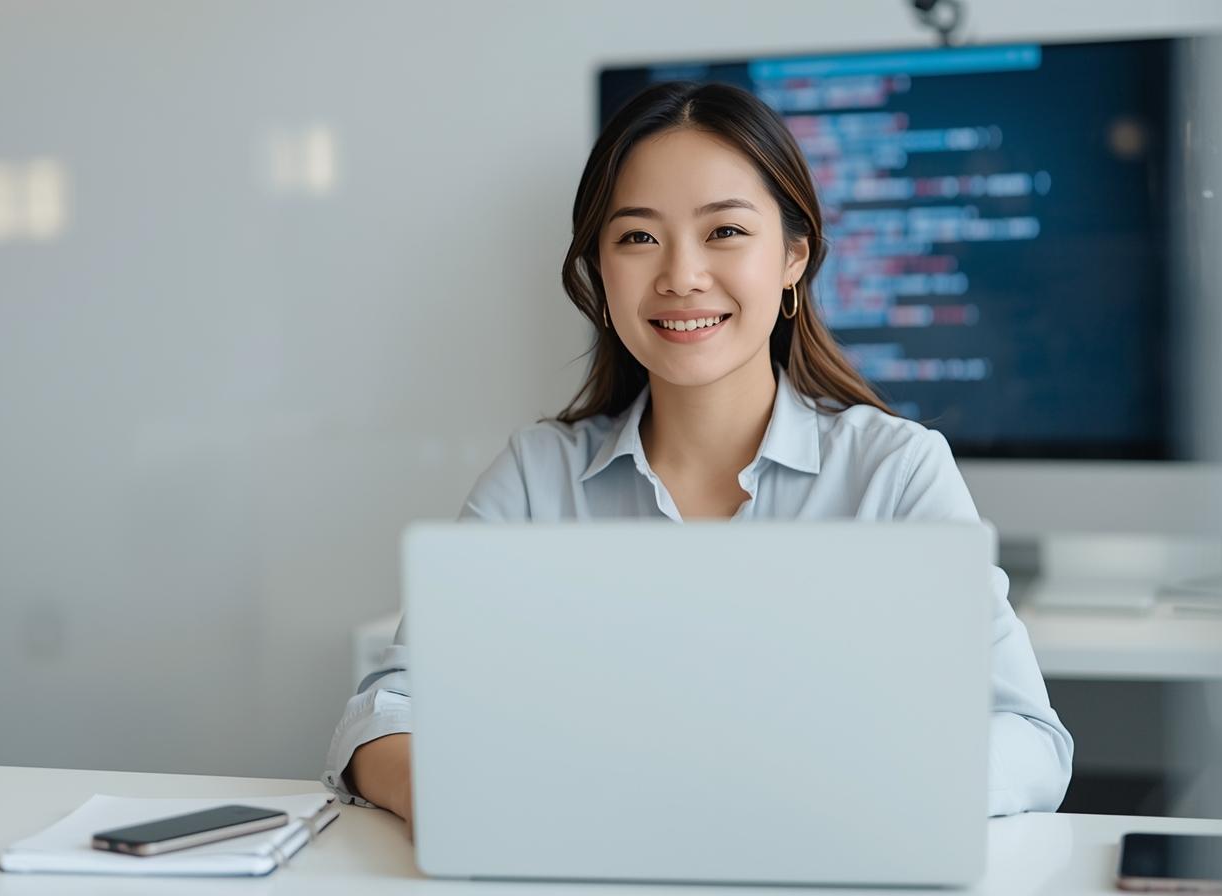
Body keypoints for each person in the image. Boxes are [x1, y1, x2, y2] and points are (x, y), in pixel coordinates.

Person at [323, 81, 1073, 825]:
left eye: (725, 232)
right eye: (638, 237)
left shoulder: (895, 471)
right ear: (600, 273)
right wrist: (458, 797)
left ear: (793, 257)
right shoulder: (536, 477)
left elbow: (1029, 738)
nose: (681, 275)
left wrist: (867, 799)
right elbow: (386, 708)